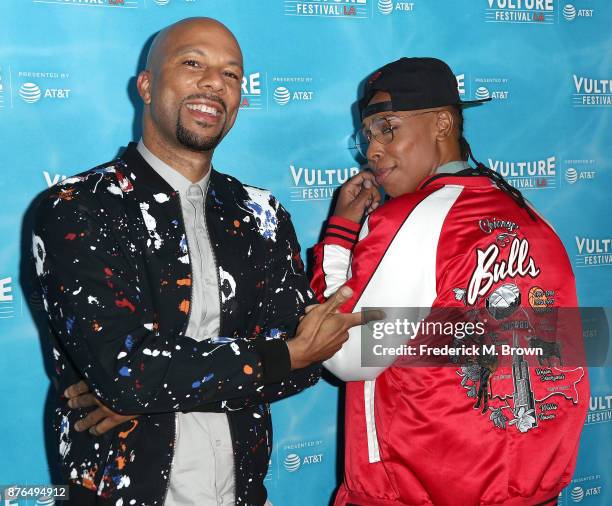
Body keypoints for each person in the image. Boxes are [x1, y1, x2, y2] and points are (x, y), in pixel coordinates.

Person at [32, 17, 362, 506]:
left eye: (231, 74)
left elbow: (307, 360)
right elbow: (127, 373)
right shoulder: (79, 207)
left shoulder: (262, 214)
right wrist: (276, 358)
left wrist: (158, 396)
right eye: (192, 64)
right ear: (146, 85)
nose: (215, 82)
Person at [311, 57, 590, 506]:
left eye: (388, 127)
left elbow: (342, 353)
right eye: (366, 136)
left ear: (442, 122)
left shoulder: (412, 219)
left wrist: (341, 233)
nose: (373, 150)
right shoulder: (534, 219)